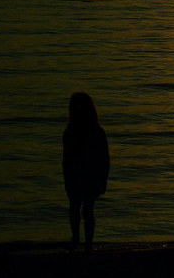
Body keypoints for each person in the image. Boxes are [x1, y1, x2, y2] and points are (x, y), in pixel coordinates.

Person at [63, 92, 110, 252]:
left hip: (80, 175)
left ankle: (78, 238)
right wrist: (103, 179)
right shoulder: (96, 132)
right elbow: (105, 159)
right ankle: (85, 241)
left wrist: (67, 179)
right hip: (88, 175)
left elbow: (66, 160)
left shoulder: (72, 133)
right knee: (85, 209)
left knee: (77, 207)